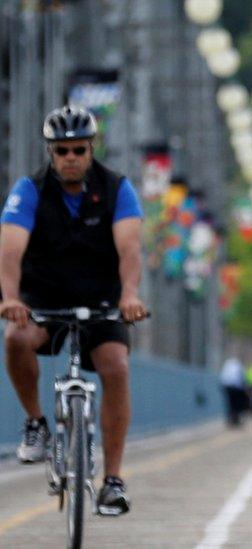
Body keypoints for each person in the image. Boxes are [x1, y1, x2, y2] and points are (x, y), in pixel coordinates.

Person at [0, 105, 148, 516]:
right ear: (50, 152)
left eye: (78, 150)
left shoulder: (117, 188)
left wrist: (130, 295)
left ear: (91, 149)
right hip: (42, 298)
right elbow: (10, 249)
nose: (70, 158)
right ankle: (36, 424)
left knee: (116, 366)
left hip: (102, 300)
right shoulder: (29, 189)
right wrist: (10, 297)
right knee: (15, 339)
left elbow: (130, 248)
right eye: (61, 150)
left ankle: (113, 480)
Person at [220, 354, 248, 427]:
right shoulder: (238, 365)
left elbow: (223, 377)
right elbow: (241, 377)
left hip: (227, 387)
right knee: (236, 404)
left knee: (230, 404)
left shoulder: (227, 364)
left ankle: (231, 419)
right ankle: (235, 419)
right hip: (235, 388)